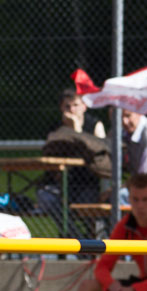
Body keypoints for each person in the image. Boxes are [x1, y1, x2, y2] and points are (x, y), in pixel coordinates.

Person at [36, 89, 108, 226]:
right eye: (67, 106)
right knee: (46, 197)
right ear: (61, 108)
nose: (72, 110)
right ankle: (70, 237)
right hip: (61, 181)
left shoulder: (94, 125)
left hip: (88, 181)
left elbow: (100, 154)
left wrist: (77, 130)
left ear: (84, 106)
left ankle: (88, 240)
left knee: (86, 205)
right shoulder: (56, 128)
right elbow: (49, 152)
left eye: (75, 105)